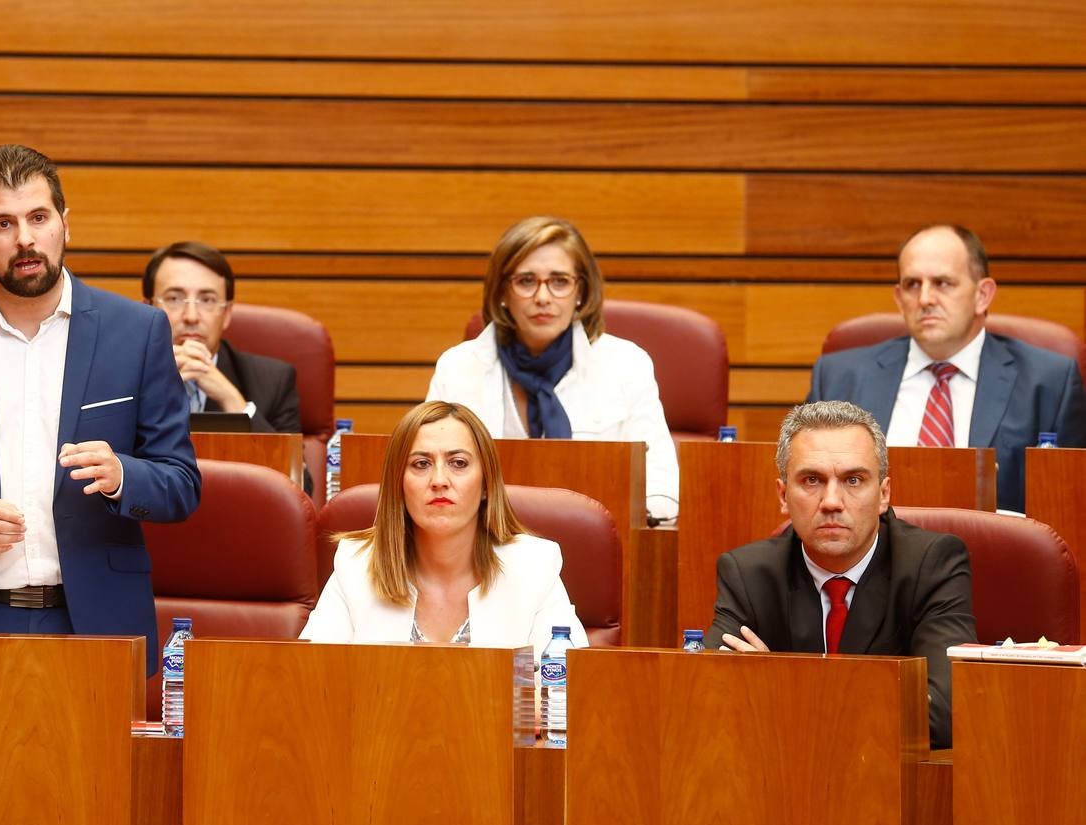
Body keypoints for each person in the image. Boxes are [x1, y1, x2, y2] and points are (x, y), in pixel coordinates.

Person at [0, 144, 201, 674]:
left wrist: (122, 476)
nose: (25, 238)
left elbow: (181, 483)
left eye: (38, 218)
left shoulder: (136, 333)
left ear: (66, 225)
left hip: (98, 625)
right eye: (3, 223)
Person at [707, 401, 977, 748]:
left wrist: (780, 686)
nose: (832, 501)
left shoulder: (933, 565)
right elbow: (711, 700)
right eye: (812, 480)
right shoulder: (748, 574)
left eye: (853, 480)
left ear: (883, 495)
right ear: (783, 496)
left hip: (891, 786)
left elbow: (944, 715)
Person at [807, 223, 1085, 512]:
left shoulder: (1049, 383)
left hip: (991, 554)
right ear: (899, 299)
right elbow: (807, 487)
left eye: (942, 283)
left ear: (983, 295)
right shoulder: (839, 378)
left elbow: (1068, 511)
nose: (925, 299)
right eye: (912, 284)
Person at [426, 216, 679, 520]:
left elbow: (662, 488)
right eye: (526, 281)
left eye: (559, 281)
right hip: (484, 545)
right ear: (503, 293)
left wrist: (618, 522)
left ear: (581, 291)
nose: (543, 297)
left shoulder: (627, 365)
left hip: (596, 545)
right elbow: (431, 475)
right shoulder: (458, 367)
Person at [299, 400, 587, 657]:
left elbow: (568, 694)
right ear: (399, 485)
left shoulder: (534, 567)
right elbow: (311, 684)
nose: (439, 480)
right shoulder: (356, 566)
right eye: (421, 464)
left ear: (486, 484)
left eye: (458, 463)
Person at [141, 241, 302, 435]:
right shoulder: (118, 375)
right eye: (174, 298)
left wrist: (233, 401)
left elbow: (291, 466)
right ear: (148, 309)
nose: (191, 316)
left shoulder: (273, 382)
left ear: (226, 314)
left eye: (207, 300)